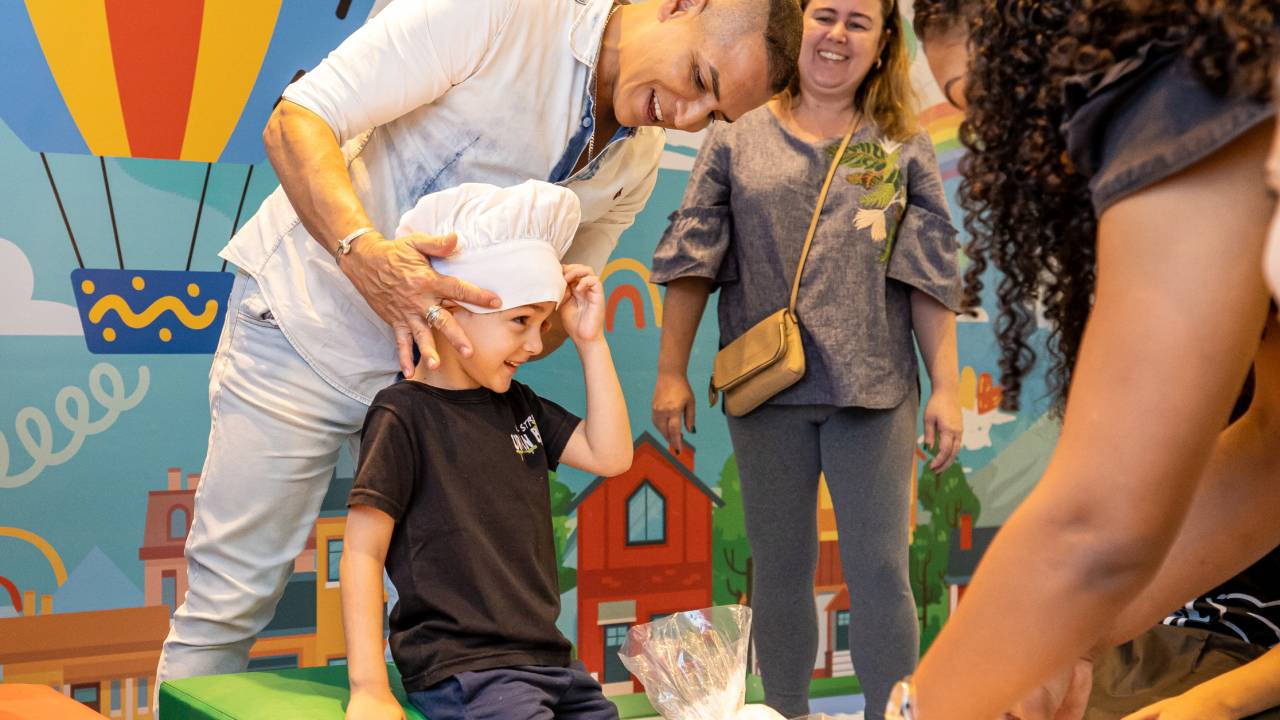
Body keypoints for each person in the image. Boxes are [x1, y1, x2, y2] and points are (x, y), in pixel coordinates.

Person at [154, 0, 803, 698]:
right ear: (679, 5)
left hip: (446, 401)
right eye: (698, 79)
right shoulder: (503, 12)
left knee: (459, 625)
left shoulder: (638, 163)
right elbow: (297, 121)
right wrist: (365, 255)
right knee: (233, 601)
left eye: (712, 116)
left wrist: (546, 319)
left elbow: (543, 317)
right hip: (308, 329)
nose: (684, 117)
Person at [883, 2, 1280, 718]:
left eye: (986, 98)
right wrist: (1061, 644)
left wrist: (921, 708)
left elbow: (1096, 526)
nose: (993, 144)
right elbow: (1273, 455)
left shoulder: (1183, 77)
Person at [649, 1, 963, 716]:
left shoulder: (898, 145)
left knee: (882, 573)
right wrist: (670, 372)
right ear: (801, 28)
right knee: (780, 572)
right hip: (767, 394)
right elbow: (693, 257)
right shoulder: (735, 141)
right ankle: (784, 712)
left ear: (884, 45)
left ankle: (894, 712)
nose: (838, 34)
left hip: (874, 392)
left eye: (860, 22)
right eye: (826, 15)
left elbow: (928, 272)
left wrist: (946, 385)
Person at [340, 181, 631, 720]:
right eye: (520, 322)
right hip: (465, 669)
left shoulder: (519, 406)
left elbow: (611, 456)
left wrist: (592, 342)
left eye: (543, 323)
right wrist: (369, 688)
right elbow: (361, 552)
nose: (537, 343)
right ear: (449, 308)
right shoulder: (403, 414)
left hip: (551, 662)